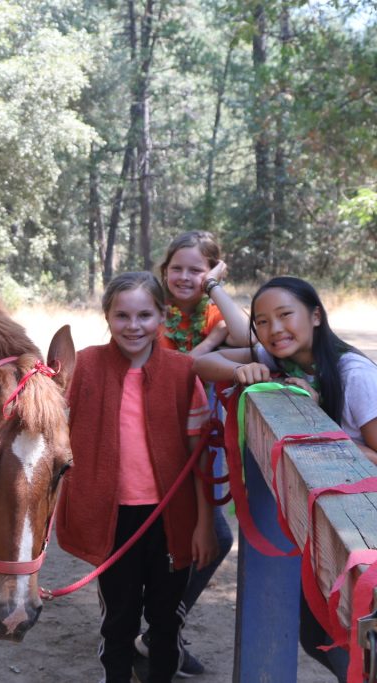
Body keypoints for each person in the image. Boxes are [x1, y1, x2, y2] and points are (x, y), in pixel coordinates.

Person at [194, 276, 377, 681]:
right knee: (314, 634)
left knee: (349, 639)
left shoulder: (354, 374)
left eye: (284, 315)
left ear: (315, 316)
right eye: (261, 321)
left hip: (365, 532)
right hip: (330, 524)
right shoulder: (285, 357)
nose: (274, 329)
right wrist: (247, 367)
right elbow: (200, 363)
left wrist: (326, 428)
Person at [56, 271, 218, 683]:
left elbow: (200, 457)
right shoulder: (86, 365)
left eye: (145, 315)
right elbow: (53, 427)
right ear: (107, 316)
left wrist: (202, 523)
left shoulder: (183, 373)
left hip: (171, 520)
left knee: (165, 623)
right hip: (114, 520)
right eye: (122, 315)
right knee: (119, 621)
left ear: (161, 316)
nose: (133, 326)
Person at [138, 230, 249, 676]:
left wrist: (217, 289)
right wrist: (208, 349)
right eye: (176, 268)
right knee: (199, 535)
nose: (184, 277)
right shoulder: (148, 310)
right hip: (154, 438)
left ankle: (162, 632)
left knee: (208, 537)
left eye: (196, 270)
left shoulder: (213, 312)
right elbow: (165, 369)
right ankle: (155, 632)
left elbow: (251, 339)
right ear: (163, 271)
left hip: (201, 438)